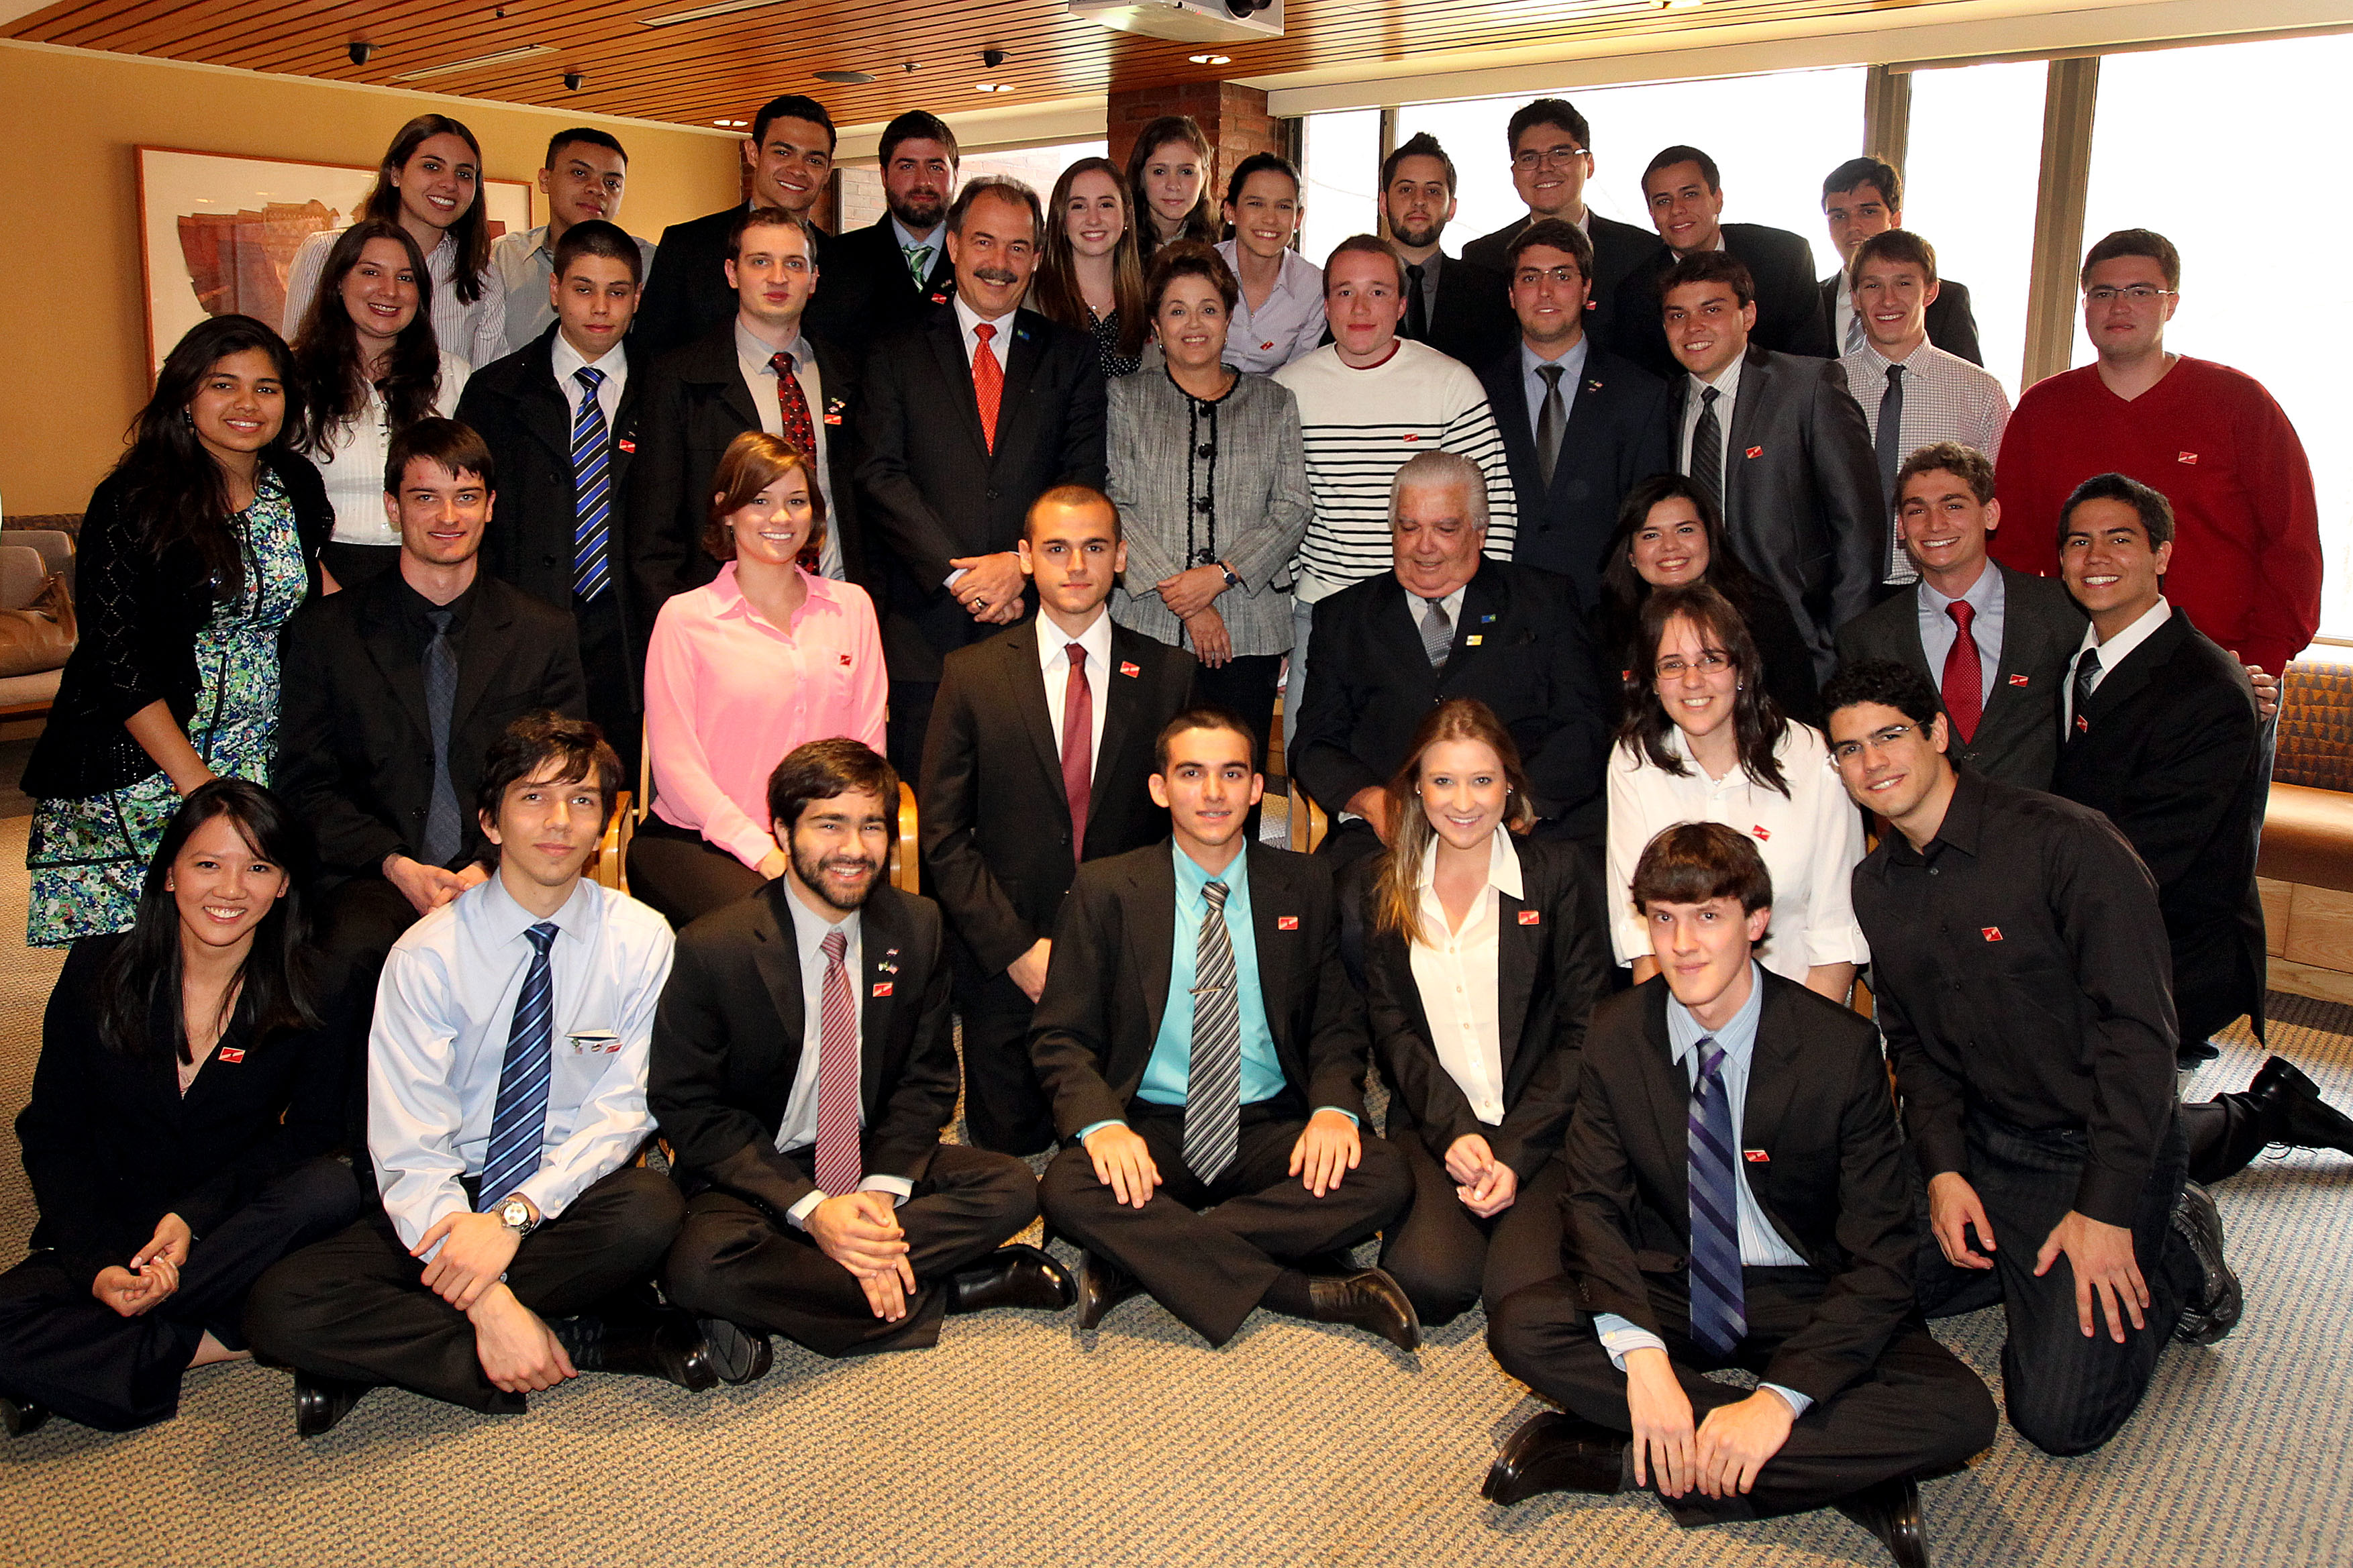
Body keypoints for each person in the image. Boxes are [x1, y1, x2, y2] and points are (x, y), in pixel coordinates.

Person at [1482, 822, 1996, 1565]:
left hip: (1802, 1287)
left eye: (1708, 916)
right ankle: (1825, 1467)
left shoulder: (1838, 1048)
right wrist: (1647, 1362)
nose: (1683, 944)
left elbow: (1882, 1255)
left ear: (1755, 922)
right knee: (1523, 1327)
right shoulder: (1615, 1031)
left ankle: (1634, 1458)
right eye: (1663, 918)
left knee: (1960, 1412)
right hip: (1676, 1277)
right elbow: (1592, 1206)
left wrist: (1777, 1401)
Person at [244, 715, 712, 1436]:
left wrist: (516, 1216)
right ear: (490, 821)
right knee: (278, 1307)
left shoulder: (643, 939)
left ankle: (379, 1358)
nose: (559, 821)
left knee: (649, 1210)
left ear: (603, 825)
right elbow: (409, 1145)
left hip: (564, 1192)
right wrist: (488, 1296)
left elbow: (625, 1111)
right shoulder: (426, 955)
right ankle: (581, 1337)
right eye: (534, 798)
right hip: (444, 1194)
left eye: (582, 800)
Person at [1827, 660, 2242, 1458]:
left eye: (1888, 736)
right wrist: (1943, 1171)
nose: (1870, 762)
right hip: (1983, 1145)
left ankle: (2174, 1253)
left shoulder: (2064, 843)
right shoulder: (1874, 886)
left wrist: (2106, 1210)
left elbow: (2139, 1038)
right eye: (1848, 749)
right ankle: (2018, 1262)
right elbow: (1912, 1048)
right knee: (1852, 1283)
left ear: (1937, 733)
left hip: (2095, 1149)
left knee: (2055, 1418)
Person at [654, 739, 1071, 1363]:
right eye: (830, 824)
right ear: (782, 831)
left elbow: (927, 1079)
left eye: (871, 826)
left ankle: (810, 1287)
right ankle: (957, 1287)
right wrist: (812, 1211)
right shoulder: (715, 947)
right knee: (698, 1265)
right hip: (762, 1170)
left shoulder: (916, 926)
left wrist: (878, 1194)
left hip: (867, 1150)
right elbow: (687, 1107)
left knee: (1011, 1186)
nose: (854, 848)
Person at [1031, 708, 1418, 1350]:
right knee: (1066, 1186)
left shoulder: (1304, 883)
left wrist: (1333, 1108)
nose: (1213, 793)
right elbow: (1059, 1036)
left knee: (1383, 1174)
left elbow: (1336, 1023)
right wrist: (1102, 1125)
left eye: (1232, 774)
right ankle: (1305, 1290)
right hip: (1152, 1122)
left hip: (1267, 1120)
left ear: (1257, 788)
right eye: (1191, 773)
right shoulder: (1107, 888)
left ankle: (1140, 1260)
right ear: (1160, 789)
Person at [0, 782, 362, 1436]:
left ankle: (107, 1355)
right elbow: (52, 1132)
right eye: (208, 864)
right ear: (169, 873)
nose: (231, 889)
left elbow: (311, 1135)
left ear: (283, 885)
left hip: (224, 1226)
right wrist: (98, 1264)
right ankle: (222, 1336)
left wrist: (193, 1218)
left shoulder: (316, 987)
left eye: (258, 867)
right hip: (117, 1223)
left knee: (330, 1188)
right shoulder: (97, 969)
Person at [23, 315, 331, 948]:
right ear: (186, 396)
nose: (247, 403)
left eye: (266, 388)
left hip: (261, 754)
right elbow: (117, 657)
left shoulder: (295, 486)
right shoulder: (133, 499)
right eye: (223, 384)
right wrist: (197, 785)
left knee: (243, 943)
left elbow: (316, 593)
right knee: (127, 956)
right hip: (146, 761)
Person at [921, 486, 1197, 1157]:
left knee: (1124, 1152)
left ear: (1121, 557)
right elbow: (943, 835)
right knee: (1007, 1148)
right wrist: (1015, 949)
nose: (1076, 565)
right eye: (1055, 549)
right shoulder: (971, 675)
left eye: (1094, 547)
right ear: (1024, 558)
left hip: (1127, 959)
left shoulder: (1170, 675)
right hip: (1008, 960)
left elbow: (1194, 833)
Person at [274, 418, 587, 998]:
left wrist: (485, 866)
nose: (448, 517)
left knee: (539, 957)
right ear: (393, 508)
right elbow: (305, 784)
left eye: (466, 497)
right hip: (371, 874)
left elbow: (562, 777)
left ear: (490, 507)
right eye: (426, 497)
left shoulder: (543, 632)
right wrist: (396, 865)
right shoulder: (327, 633)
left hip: (506, 866)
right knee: (345, 963)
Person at [1354, 699, 1609, 1326]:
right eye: (1443, 780)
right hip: (1439, 1121)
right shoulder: (1382, 886)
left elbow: (1584, 1032)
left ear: (1510, 785)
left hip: (1542, 1123)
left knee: (1524, 1297)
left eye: (1482, 780)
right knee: (1429, 1284)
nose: (1463, 801)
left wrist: (1514, 1152)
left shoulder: (1560, 875)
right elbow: (1393, 1030)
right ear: (1417, 787)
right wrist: (1453, 1132)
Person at [858, 176, 1109, 776]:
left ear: (1038, 258)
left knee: (1027, 803)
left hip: (1034, 625)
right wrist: (963, 576)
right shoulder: (894, 348)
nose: (1000, 262)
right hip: (925, 630)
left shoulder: (1070, 355)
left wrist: (1019, 566)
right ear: (952, 245)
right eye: (984, 242)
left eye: (1018, 247)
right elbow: (880, 474)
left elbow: (1080, 483)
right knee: (928, 806)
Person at [1993, 229, 2321, 682]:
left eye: (2141, 292)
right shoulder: (2043, 409)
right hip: (2083, 670)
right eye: (2103, 293)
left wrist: (2260, 662)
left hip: (2222, 669)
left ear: (2172, 304)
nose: (2119, 306)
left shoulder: (2239, 402)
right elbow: (2014, 553)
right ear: (2085, 305)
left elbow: (2293, 545)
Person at [1290, 450, 1608, 868]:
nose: (1425, 546)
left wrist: (1521, 804)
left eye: (1445, 529)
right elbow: (1314, 744)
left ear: (1480, 532)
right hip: (1390, 838)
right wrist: (1371, 802)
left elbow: (1584, 726)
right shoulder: (1343, 617)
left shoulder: (1543, 601)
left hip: (1524, 830)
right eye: (1409, 528)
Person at [2050, 474, 2265, 1064]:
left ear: (2162, 555)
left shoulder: (2208, 687)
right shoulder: (2072, 660)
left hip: (2169, 952)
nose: (2096, 557)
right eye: (2078, 542)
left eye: (2119, 539)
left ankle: (2242, 1108)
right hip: (2091, 913)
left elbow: (2153, 856)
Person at [634, 433, 885, 928]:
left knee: (896, 928)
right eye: (760, 501)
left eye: (796, 501)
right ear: (726, 511)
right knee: (777, 929)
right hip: (700, 841)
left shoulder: (853, 607)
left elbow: (867, 751)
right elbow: (678, 769)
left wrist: (824, 841)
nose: (781, 518)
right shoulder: (684, 618)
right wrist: (764, 851)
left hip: (823, 842)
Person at [1274, 234, 1516, 738]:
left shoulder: (1450, 383)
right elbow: (1277, 511)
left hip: (1432, 613)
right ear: (1326, 305)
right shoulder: (1287, 390)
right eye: (1345, 292)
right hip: (1323, 612)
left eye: (1378, 292)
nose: (1360, 308)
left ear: (1403, 304)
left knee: (1437, 757)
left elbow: (1493, 508)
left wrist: (1483, 615)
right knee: (1311, 755)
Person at [1605, 584, 1866, 1002]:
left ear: (1742, 671)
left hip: (1801, 1008)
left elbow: (1837, 932)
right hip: (1680, 1014)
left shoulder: (1811, 756)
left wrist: (1804, 1037)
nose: (1692, 681)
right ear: (1652, 682)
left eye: (1711, 660)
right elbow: (1641, 935)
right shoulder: (1634, 760)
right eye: (1672, 665)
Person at [1107, 242, 1311, 768]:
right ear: (1156, 326)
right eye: (1177, 311)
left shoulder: (1274, 402)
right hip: (1148, 623)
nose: (1193, 324)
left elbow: (1292, 506)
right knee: (1145, 779)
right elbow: (1114, 504)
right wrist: (1190, 601)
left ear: (1228, 319)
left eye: (1208, 309)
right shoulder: (1126, 399)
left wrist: (1222, 574)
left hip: (1249, 628)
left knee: (1234, 776)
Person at [456, 220, 646, 773]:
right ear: (555, 289)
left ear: (638, 298)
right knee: (529, 782)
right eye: (584, 289)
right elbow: (475, 518)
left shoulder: (666, 389)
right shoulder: (495, 391)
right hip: (522, 626)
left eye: (617, 292)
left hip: (632, 631)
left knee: (624, 789)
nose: (600, 308)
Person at [630, 207, 864, 645]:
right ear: (732, 273)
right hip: (722, 633)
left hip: (835, 620)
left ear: (814, 279)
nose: (778, 277)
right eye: (760, 262)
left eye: (794, 264)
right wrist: (685, 639)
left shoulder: (852, 377)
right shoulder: (678, 379)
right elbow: (653, 539)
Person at [1660, 251, 1880, 682]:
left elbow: (1860, 528)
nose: (1693, 327)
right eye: (1677, 315)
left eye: (1711, 310)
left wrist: (1842, 648)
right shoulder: (1662, 405)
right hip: (1696, 653)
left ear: (1748, 315)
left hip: (1804, 645)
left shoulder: (1809, 388)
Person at [1833, 443, 2084, 790]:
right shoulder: (1865, 639)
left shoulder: (2065, 612)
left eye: (1953, 506)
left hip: (2042, 818)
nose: (1935, 524)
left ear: (1990, 514)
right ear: (1901, 527)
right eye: (1917, 511)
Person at [1475, 218, 1672, 610]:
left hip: (1608, 611)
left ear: (1586, 289)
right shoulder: (1475, 391)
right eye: (1530, 278)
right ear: (1511, 294)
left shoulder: (1640, 393)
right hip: (1503, 609)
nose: (1545, 291)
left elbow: (1650, 518)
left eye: (1562, 276)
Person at [286, 219, 472, 587]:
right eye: (371, 272)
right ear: (338, 282)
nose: (390, 291)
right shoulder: (291, 376)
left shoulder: (453, 376)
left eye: (405, 278)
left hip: (430, 572)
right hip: (317, 570)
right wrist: (324, 589)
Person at [1838, 230, 2011, 586]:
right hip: (1842, 586)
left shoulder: (1979, 391)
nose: (1888, 300)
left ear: (1930, 291)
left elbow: (1997, 500)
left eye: (1904, 283)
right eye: (1872, 286)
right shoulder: (1825, 386)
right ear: (1855, 297)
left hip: (1944, 582)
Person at [281, 114, 506, 372]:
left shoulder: (482, 274)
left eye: (464, 174)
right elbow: (295, 363)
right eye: (432, 167)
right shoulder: (324, 252)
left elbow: (487, 382)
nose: (449, 184)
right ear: (396, 173)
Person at [1591, 476, 1821, 727]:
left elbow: (1800, 715)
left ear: (1711, 537)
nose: (1670, 546)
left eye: (1685, 530)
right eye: (1651, 535)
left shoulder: (1762, 615)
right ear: (1631, 555)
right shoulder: (1606, 628)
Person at [634, 95, 836, 364]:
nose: (798, 170)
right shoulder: (686, 246)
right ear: (753, 153)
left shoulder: (842, 263)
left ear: (828, 171)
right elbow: (650, 356)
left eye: (814, 161)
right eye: (782, 153)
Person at [1459, 99, 1661, 352]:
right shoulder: (1482, 260)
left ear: (1589, 164)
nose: (1544, 168)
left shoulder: (1641, 253)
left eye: (1560, 154)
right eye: (1529, 158)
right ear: (1514, 173)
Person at [1615, 146, 1833, 380]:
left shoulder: (1784, 257)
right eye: (1663, 201)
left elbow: (1812, 361)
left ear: (1717, 199)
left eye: (1690, 195)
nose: (1677, 209)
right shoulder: (1636, 293)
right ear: (1651, 213)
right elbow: (1642, 383)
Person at [486, 128, 656, 357]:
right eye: (580, 173)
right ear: (545, 180)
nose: (598, 189)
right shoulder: (502, 259)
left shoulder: (655, 264)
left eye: (612, 183)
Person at [813, 111, 961, 360]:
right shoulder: (836, 260)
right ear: (884, 176)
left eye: (936, 167)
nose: (923, 181)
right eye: (907, 167)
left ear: (955, 174)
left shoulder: (977, 261)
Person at [1817, 158, 1983, 364]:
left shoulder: (1945, 301)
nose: (1853, 226)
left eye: (1868, 212)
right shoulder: (1811, 301)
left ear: (1895, 220)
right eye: (1839, 216)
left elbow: (1966, 378)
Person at [1380, 132, 1516, 370]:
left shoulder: (1489, 292)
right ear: (1384, 203)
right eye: (1406, 189)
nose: (1419, 201)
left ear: (1451, 208)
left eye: (1433, 191)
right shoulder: (1350, 287)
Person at [1032, 155, 1148, 378]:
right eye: (1079, 206)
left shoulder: (1151, 299)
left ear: (1126, 216)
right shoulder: (1030, 300)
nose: (1093, 219)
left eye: (1106, 205)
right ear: (1062, 220)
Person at [1214, 153, 1325, 375]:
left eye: (1283, 207)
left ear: (1298, 219)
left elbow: (1300, 374)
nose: (1270, 219)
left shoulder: (1314, 287)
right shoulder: (1198, 270)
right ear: (1230, 211)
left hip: (1275, 395)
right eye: (1256, 204)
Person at [1126, 115, 1219, 258]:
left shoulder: (1220, 247)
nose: (1173, 186)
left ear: (1204, 178)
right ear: (1141, 177)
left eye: (1186, 172)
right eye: (1159, 172)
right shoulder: (1117, 244)